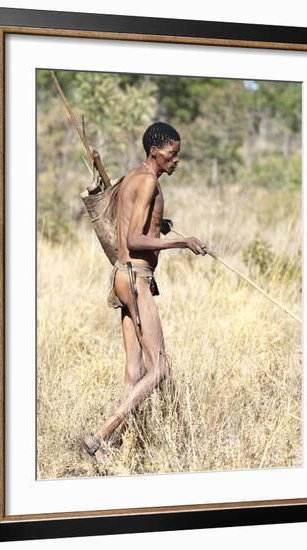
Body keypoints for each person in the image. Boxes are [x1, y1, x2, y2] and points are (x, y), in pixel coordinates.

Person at [83, 121, 207, 459]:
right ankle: (103, 433)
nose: (176, 159)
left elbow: (137, 223)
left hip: (122, 276)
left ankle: (122, 450)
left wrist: (159, 223)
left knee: (135, 370)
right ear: (155, 150)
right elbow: (134, 239)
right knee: (160, 369)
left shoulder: (132, 177)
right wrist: (182, 241)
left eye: (178, 153)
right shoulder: (150, 182)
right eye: (172, 152)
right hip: (137, 278)